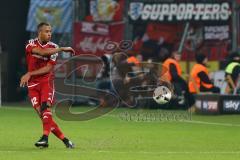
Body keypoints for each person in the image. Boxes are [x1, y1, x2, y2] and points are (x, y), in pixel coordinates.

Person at [20, 22, 75, 148]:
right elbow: (41, 52)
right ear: (39, 33)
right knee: (44, 116)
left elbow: (48, 68)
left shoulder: (54, 47)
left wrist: (29, 73)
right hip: (33, 85)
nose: (49, 34)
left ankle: (45, 138)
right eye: (46, 31)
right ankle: (66, 141)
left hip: (46, 82)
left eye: (50, 31)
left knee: (46, 109)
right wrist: (62, 49)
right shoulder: (30, 43)